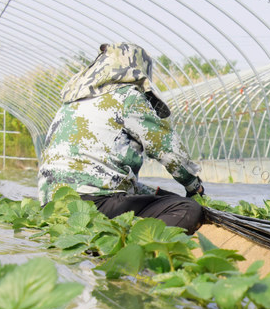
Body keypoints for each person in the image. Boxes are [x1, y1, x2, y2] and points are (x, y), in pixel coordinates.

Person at [38, 42, 206, 234]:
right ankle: (137, 250)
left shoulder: (72, 103)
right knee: (187, 208)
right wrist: (194, 187)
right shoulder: (127, 96)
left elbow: (97, 175)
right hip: (94, 204)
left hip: (53, 205)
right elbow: (169, 152)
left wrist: (155, 193)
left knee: (159, 196)